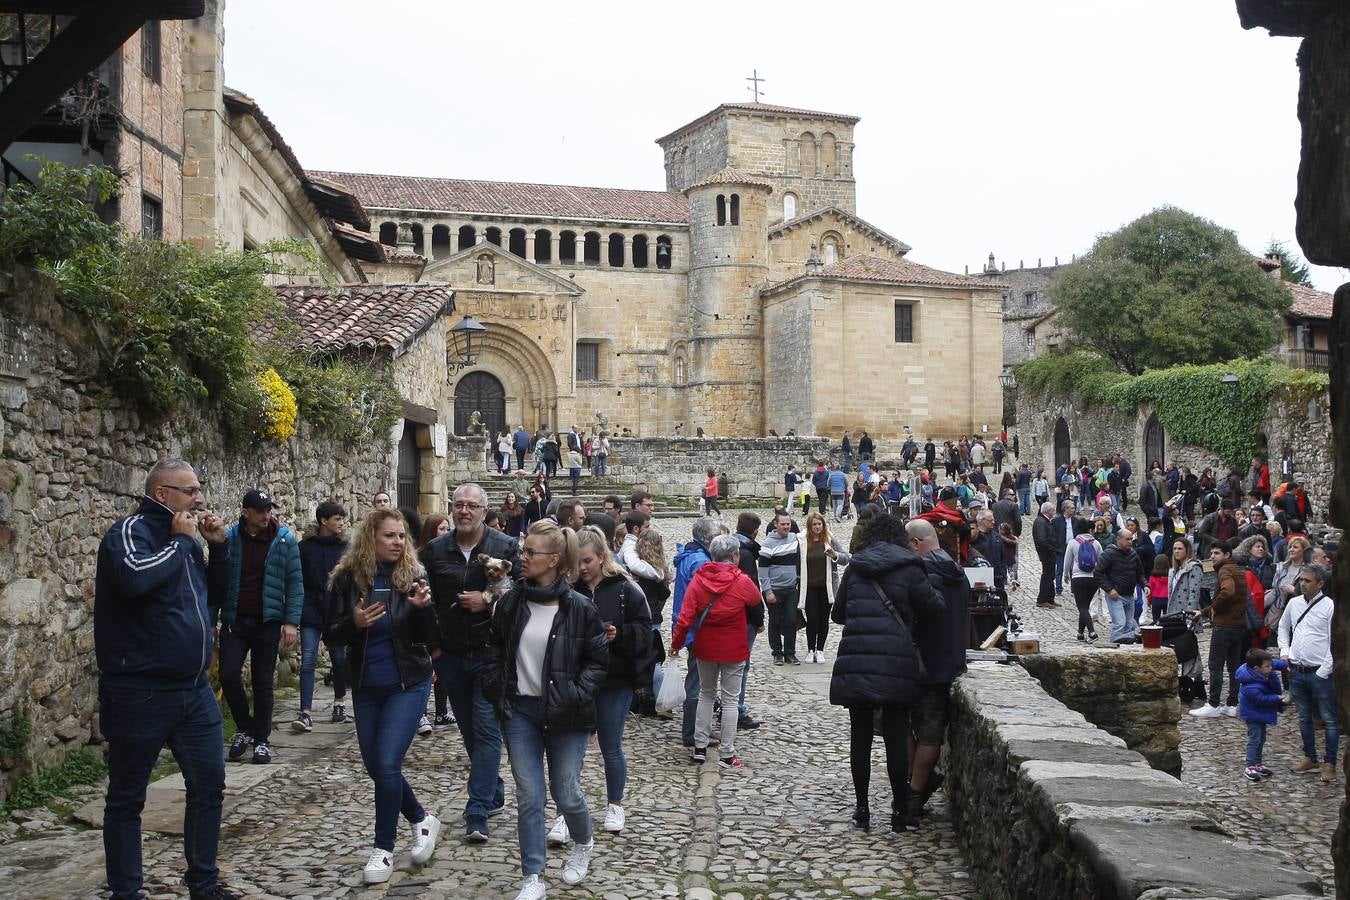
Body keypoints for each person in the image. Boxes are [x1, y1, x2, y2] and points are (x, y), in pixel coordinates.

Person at [95, 460, 235, 900]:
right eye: (190, 490)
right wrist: (180, 542)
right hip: (140, 690)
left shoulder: (189, 539)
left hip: (192, 690)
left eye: (200, 489)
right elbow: (135, 580)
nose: (200, 498)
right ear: (162, 495)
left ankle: (204, 884)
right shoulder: (129, 533)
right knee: (127, 797)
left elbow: (212, 597)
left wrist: (219, 550)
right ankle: (126, 892)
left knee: (209, 784)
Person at [485, 520, 608, 899]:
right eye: (523, 551)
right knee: (530, 795)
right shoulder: (511, 602)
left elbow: (598, 661)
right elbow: (493, 649)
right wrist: (496, 690)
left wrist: (575, 692)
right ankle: (533, 876)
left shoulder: (579, 608)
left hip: (567, 713)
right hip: (520, 710)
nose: (522, 558)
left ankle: (583, 842)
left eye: (530, 553)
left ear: (554, 559)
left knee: (566, 790)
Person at [326, 509, 442, 883]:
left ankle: (383, 849)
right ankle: (422, 818)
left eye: (402, 536)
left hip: (407, 682)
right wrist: (354, 623)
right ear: (370, 539)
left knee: (387, 762)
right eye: (389, 536)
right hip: (366, 684)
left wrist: (424, 609)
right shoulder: (347, 579)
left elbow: (430, 638)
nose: (397, 542)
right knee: (376, 766)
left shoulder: (413, 577)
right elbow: (332, 635)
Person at [830, 512, 943, 832]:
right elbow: (934, 607)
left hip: (857, 661)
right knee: (896, 737)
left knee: (860, 739)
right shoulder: (910, 567)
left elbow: (838, 614)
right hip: (896, 661)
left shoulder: (856, 567)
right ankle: (898, 810)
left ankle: (862, 809)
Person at [421, 483, 520, 842]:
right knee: (469, 731)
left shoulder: (505, 547)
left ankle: (477, 811)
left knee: (486, 729)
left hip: (489, 655)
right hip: (449, 656)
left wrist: (488, 602)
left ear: (483, 510)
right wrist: (432, 649)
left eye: (472, 506)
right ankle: (492, 788)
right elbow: (424, 601)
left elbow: (523, 595)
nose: (464, 511)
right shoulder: (435, 551)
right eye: (459, 505)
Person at [569, 526, 652, 837]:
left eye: (587, 561)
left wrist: (620, 633)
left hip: (614, 679)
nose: (582, 567)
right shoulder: (569, 590)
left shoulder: (625, 590)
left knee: (610, 745)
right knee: (572, 747)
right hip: (577, 679)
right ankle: (568, 809)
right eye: (577, 561)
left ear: (601, 558)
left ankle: (615, 804)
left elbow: (645, 630)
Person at [219, 489, 302, 765]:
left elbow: (295, 583)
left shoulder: (284, 540)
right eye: (260, 510)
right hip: (236, 619)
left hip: (268, 620)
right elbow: (217, 581)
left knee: (263, 681)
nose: (266, 515)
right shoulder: (230, 539)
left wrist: (291, 621)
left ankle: (262, 739)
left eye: (269, 510)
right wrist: (211, 620)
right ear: (246, 512)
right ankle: (245, 726)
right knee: (229, 675)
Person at [671, 533, 762, 769]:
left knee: (706, 694)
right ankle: (726, 754)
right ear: (734, 556)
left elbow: (685, 616)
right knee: (731, 701)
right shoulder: (741, 580)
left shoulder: (699, 580)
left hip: (706, 646)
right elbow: (755, 600)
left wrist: (676, 644)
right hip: (733, 647)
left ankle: (700, 747)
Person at [907, 519, 966, 819]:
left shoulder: (922, 575)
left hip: (922, 661)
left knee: (907, 727)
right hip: (950, 661)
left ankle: (913, 792)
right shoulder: (957, 572)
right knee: (929, 731)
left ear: (916, 544)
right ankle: (917, 790)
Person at [294, 501, 350, 734]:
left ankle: (339, 702)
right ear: (323, 521)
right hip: (311, 608)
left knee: (338, 659)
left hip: (337, 610)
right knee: (308, 660)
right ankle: (305, 711)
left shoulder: (345, 549)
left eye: (342, 519)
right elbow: (298, 579)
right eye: (336, 519)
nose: (341, 523)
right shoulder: (305, 548)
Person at [1278, 564, 1338, 781]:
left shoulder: (1329, 606)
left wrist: (1325, 669)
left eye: (1308, 581)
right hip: (1297, 669)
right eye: (1301, 580)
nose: (1302, 584)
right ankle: (1310, 757)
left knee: (1329, 719)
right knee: (1304, 718)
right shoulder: (1294, 603)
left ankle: (1330, 763)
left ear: (1320, 583)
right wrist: (1285, 651)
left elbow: (1335, 640)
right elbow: (1284, 627)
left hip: (1319, 671)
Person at [673, 517, 728, 746]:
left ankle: (700, 728)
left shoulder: (693, 556)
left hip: (691, 626)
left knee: (702, 682)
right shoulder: (699, 562)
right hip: (697, 628)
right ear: (709, 539)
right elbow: (704, 597)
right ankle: (693, 733)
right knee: (698, 684)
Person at [1190, 540, 1249, 719]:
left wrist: (1211, 609)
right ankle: (1232, 704)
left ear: (1227, 555)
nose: (1212, 557)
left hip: (1224, 626)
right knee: (1233, 666)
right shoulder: (1237, 570)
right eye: (1212, 553)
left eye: (1216, 553)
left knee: (1215, 665)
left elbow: (1228, 592)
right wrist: (1207, 611)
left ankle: (1213, 703)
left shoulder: (1225, 570)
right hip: (1238, 625)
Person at [801, 511, 851, 663]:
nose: (817, 527)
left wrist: (834, 555)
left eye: (819, 524)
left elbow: (845, 558)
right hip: (809, 586)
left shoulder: (828, 540)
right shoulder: (803, 541)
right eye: (814, 524)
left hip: (826, 586)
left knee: (823, 619)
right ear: (810, 526)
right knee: (812, 619)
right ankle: (810, 649)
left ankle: (820, 649)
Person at [732, 513, 765, 730]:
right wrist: (759, 619)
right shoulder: (746, 555)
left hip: (733, 615)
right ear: (754, 531)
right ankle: (737, 708)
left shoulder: (733, 548)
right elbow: (751, 590)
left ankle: (730, 705)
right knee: (741, 665)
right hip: (744, 617)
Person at [758, 510, 804, 665]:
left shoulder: (794, 539)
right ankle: (777, 652)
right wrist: (768, 591)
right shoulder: (767, 543)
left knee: (791, 621)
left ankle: (790, 653)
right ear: (775, 525)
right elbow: (763, 571)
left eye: (788, 524)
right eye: (783, 524)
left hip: (791, 588)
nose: (786, 527)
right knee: (775, 621)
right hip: (774, 590)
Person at [1236, 647, 1287, 781]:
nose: (1271, 668)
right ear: (1257, 668)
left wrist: (1286, 665)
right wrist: (1277, 698)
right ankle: (1250, 764)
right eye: (1268, 666)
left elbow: (1275, 663)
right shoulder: (1250, 685)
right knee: (1255, 739)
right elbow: (1261, 700)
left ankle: (1258, 763)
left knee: (1261, 739)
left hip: (1260, 714)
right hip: (1253, 715)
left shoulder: (1262, 669)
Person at [1094, 529, 1144, 644]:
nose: (1130, 542)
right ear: (1119, 539)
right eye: (1127, 539)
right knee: (1119, 624)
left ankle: (1125, 650)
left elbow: (1140, 573)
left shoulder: (1133, 553)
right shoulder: (1109, 553)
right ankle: (1113, 652)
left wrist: (1145, 585)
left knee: (1129, 625)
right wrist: (1109, 589)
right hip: (1116, 596)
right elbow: (1098, 573)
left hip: (1130, 595)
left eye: (1131, 539)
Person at [1063, 519, 1102, 642]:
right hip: (1093, 579)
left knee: (1082, 607)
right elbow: (1101, 560)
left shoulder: (1073, 542)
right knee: (1085, 605)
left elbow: (1067, 560)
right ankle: (1080, 633)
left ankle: (1092, 632)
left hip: (1078, 578)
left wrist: (1065, 574)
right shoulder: (1096, 543)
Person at [1031, 501, 1059, 609]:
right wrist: (1052, 549)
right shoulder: (1041, 522)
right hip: (1046, 553)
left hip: (1048, 553)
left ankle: (1050, 598)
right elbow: (1041, 540)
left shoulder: (1044, 521)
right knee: (1047, 576)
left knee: (1050, 575)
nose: (1054, 512)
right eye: (1053, 510)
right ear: (1048, 511)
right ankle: (1042, 599)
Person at [1146, 555, 1170, 624]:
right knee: (1168, 619)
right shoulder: (1170, 575)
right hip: (1167, 599)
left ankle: (1156, 631)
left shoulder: (1153, 576)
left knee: (1155, 619)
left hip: (1156, 600)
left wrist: (1149, 601)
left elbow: (1151, 590)